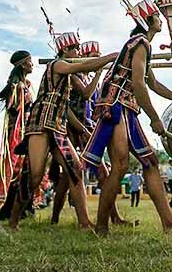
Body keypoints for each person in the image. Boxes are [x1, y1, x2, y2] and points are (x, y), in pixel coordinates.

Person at [83, 0, 172, 236]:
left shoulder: (139, 45)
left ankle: (169, 223)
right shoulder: (141, 43)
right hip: (116, 106)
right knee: (120, 165)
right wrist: (155, 119)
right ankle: (102, 226)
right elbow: (138, 84)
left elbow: (152, 83)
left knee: (151, 163)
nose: (161, 20)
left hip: (125, 107)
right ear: (148, 21)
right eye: (157, 16)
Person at [6, 32, 116, 231]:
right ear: (65, 50)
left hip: (57, 127)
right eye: (75, 48)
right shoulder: (57, 65)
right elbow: (83, 67)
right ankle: (13, 221)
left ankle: (84, 223)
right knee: (35, 177)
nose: (78, 52)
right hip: (40, 124)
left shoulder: (69, 73)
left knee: (76, 170)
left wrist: (99, 70)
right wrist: (110, 57)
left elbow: (85, 94)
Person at [49, 40, 126, 226]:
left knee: (100, 174)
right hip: (72, 129)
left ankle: (114, 217)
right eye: (94, 57)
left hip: (87, 129)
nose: (98, 59)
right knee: (70, 177)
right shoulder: (73, 75)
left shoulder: (89, 78)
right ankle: (55, 218)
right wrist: (98, 72)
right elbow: (85, 95)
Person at [0, 50, 34, 221]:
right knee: (13, 167)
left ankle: (21, 208)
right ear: (23, 64)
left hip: (24, 129)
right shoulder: (17, 86)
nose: (32, 64)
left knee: (22, 167)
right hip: (17, 132)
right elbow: (14, 108)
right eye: (30, 61)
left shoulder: (24, 84)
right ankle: (4, 209)